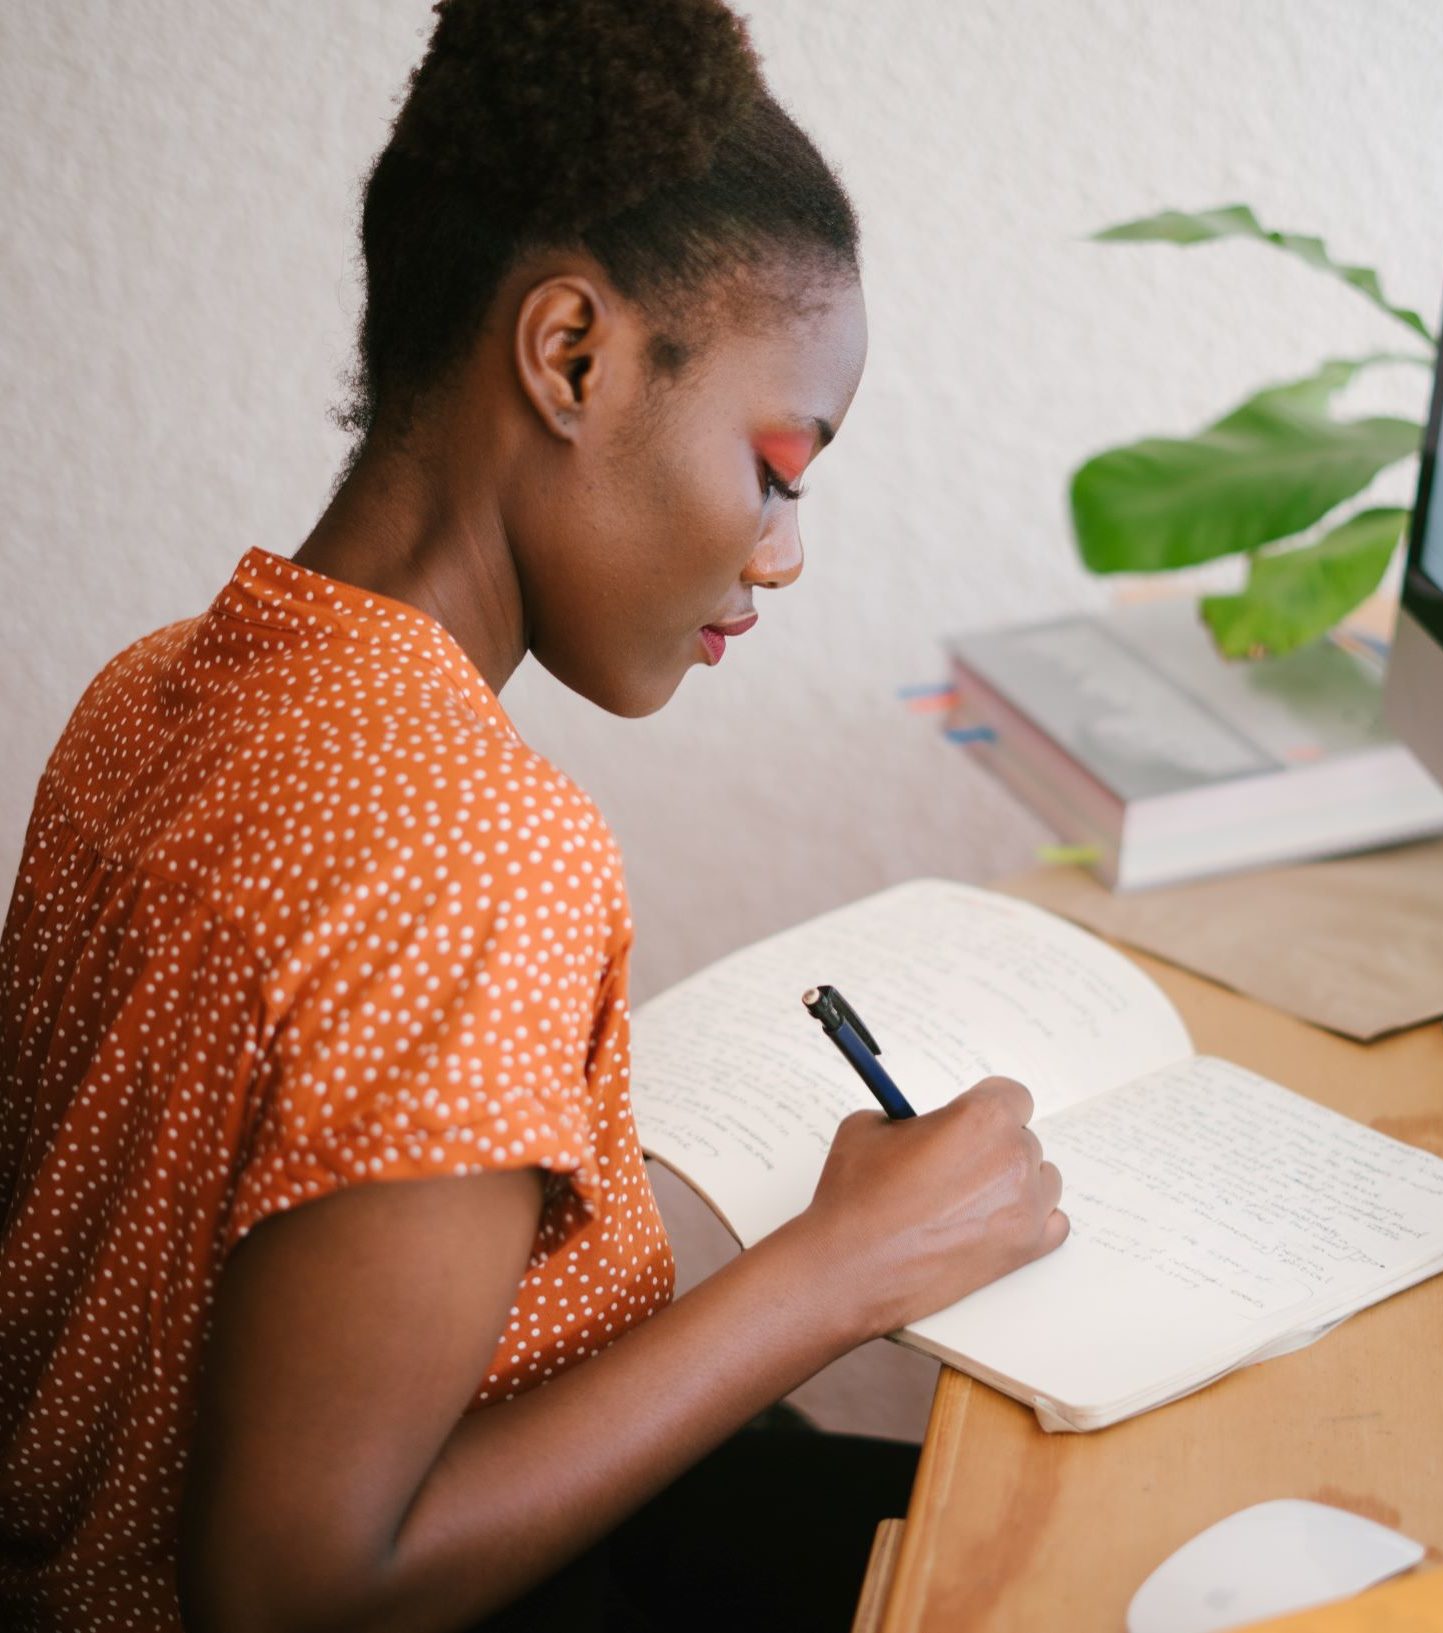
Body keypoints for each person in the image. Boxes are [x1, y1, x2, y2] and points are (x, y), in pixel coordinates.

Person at [0, 2, 1069, 1628]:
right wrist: (836, 1270)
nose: (783, 552)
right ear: (570, 354)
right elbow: (294, 1589)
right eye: (780, 466)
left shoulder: (156, 688)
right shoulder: (475, 847)